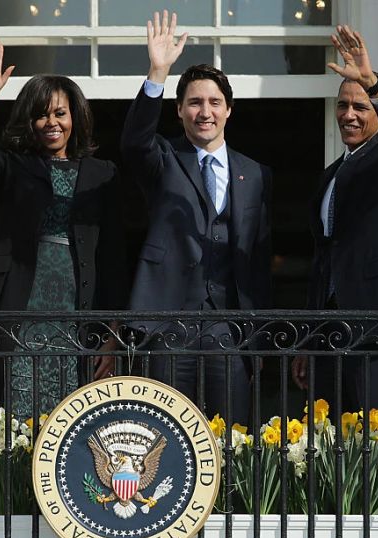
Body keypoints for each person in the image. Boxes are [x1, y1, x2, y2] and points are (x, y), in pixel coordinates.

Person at [290, 25, 378, 538]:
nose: (348, 113)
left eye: (359, 105)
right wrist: (303, 337)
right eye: (343, 105)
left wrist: (376, 82)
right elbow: (323, 262)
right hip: (330, 337)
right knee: (333, 452)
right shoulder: (328, 178)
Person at [0, 40, 125, 416]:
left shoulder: (103, 174)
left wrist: (112, 337)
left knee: (71, 410)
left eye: (60, 113)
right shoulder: (13, 164)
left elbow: (113, 259)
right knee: (7, 404)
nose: (52, 123)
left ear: (75, 117)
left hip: (78, 304)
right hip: (16, 298)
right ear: (29, 122)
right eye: (42, 115)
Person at [121, 11, 272, 425]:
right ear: (180, 110)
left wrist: (256, 337)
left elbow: (258, 257)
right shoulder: (164, 158)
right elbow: (133, 142)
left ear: (229, 110)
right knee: (166, 434)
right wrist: (158, 71)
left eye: (214, 103)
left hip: (229, 329)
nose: (205, 111)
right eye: (194, 103)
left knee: (234, 438)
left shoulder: (254, 173)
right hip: (168, 325)